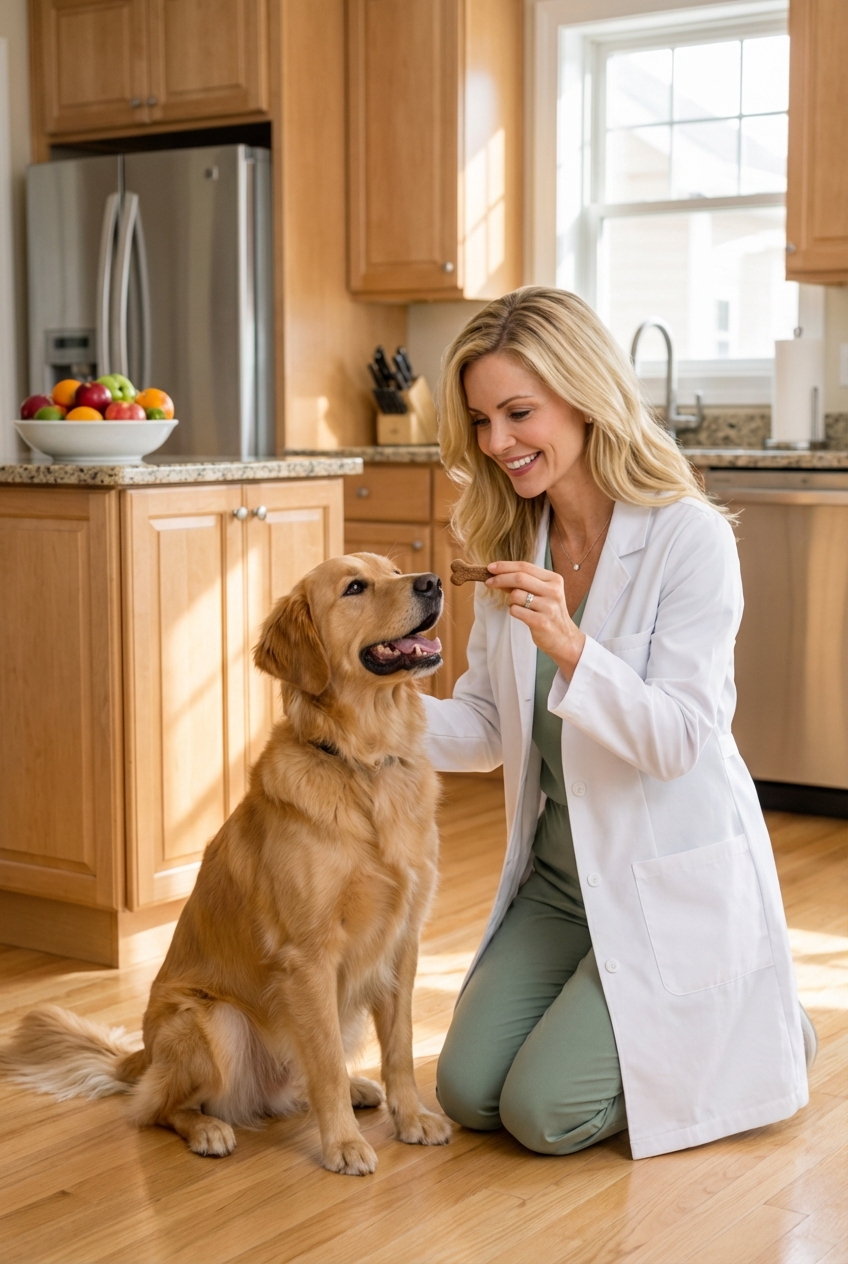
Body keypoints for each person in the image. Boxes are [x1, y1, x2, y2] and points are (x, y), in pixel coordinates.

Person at [424, 286, 815, 1161]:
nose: (498, 444)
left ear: (586, 395)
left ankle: (763, 1035)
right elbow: (487, 727)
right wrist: (361, 716)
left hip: (664, 880)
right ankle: (648, 1018)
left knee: (543, 1114)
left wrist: (570, 645)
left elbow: (679, 739)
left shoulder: (689, 540)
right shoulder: (511, 539)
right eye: (483, 420)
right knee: (466, 1091)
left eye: (519, 412)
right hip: (563, 886)